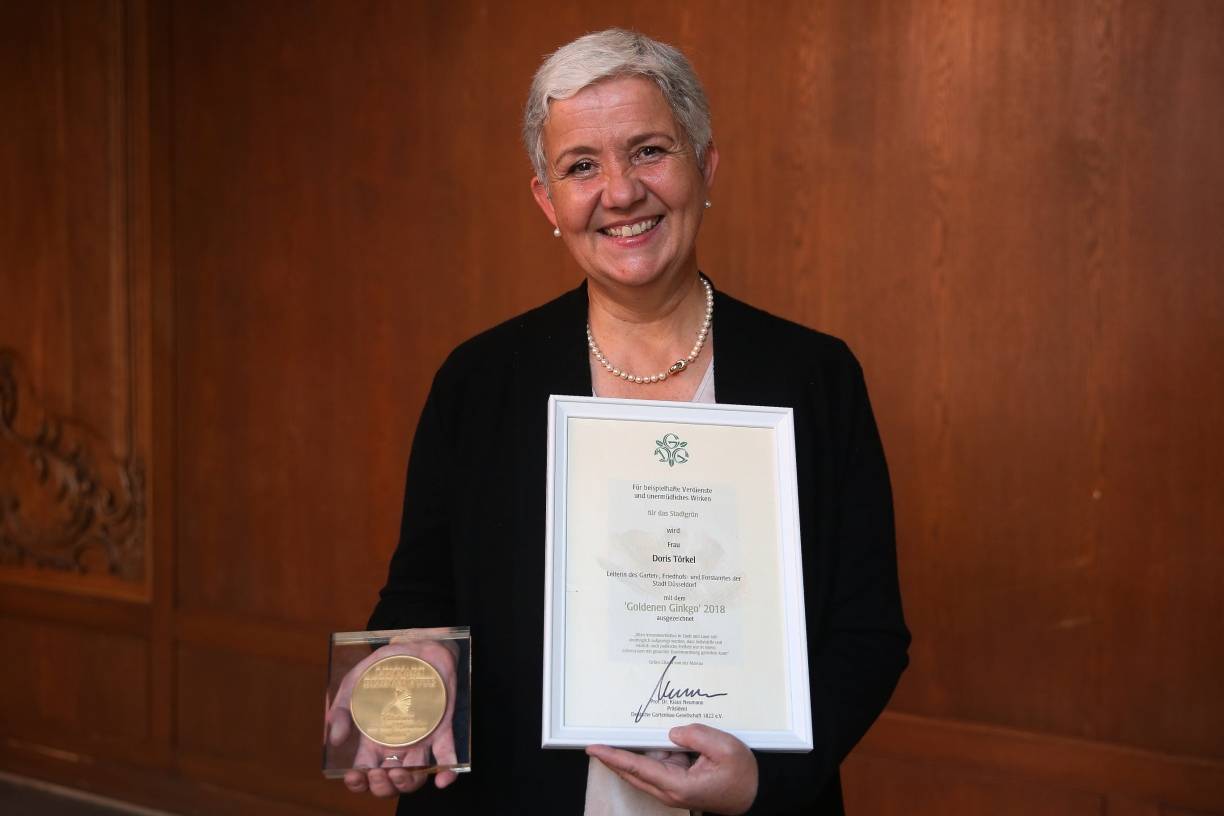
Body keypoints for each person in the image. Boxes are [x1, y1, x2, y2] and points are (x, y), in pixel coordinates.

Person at [341, 28, 909, 815]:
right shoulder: (479, 381)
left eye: (648, 151)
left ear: (705, 166)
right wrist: (409, 668)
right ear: (548, 199)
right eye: (581, 166)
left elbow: (869, 632)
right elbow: (416, 596)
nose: (620, 192)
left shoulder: (814, 379)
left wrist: (765, 780)